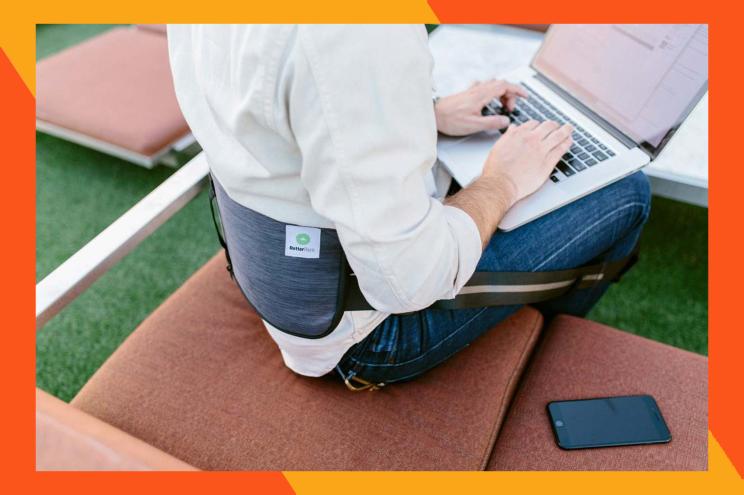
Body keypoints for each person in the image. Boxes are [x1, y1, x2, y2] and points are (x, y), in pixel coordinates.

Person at [167, 25, 650, 387]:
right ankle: (541, 351)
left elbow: (279, 114)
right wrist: (502, 182)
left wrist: (423, 114)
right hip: (365, 339)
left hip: (282, 286)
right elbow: (409, 279)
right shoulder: (357, 32)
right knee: (626, 194)